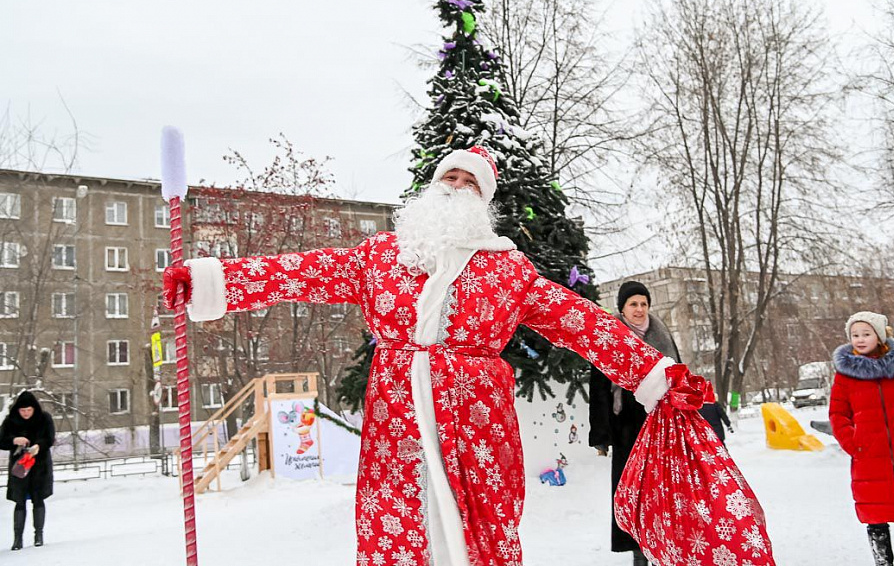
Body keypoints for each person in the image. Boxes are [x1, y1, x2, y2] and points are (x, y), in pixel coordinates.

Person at [163, 146, 773, 565]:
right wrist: (214, 283)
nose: (456, 188)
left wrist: (654, 372)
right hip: (397, 421)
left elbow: (578, 320)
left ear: (484, 199)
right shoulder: (382, 256)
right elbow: (300, 272)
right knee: (399, 532)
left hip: (478, 425)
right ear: (432, 190)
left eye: (470, 182)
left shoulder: (506, 268)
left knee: (482, 533)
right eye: (448, 179)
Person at [829, 312, 894, 566]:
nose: (860, 339)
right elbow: (838, 414)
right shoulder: (845, 376)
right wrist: (853, 443)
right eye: (855, 335)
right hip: (869, 457)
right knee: (875, 518)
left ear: (880, 336)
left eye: (866, 334)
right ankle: (883, 563)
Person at [588, 281, 680, 566]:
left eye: (643, 304)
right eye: (633, 304)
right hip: (626, 425)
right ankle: (639, 553)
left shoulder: (662, 334)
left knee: (661, 490)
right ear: (622, 308)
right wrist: (601, 433)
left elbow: (678, 377)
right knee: (633, 492)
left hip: (660, 423)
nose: (639, 310)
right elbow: (600, 388)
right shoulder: (611, 337)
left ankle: (663, 548)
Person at [0, 391, 55, 550]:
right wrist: (14, 440)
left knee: (38, 499)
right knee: (19, 501)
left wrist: (38, 446)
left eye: (28, 410)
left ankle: (38, 535)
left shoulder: (44, 418)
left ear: (34, 409)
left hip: (40, 466)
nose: (25, 413)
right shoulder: (11, 421)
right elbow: (1, 440)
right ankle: (18, 539)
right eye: (22, 410)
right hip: (20, 468)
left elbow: (50, 438)